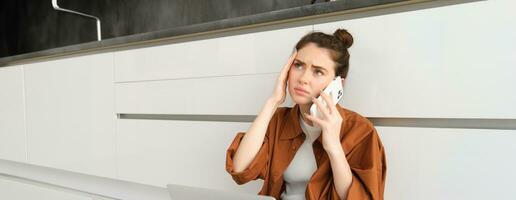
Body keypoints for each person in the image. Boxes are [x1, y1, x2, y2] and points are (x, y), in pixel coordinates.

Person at [225, 29, 386, 200]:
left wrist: (334, 147)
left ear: (338, 84)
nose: (303, 78)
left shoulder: (361, 131)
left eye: (318, 71)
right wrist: (273, 101)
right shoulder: (279, 120)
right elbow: (240, 169)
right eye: (298, 65)